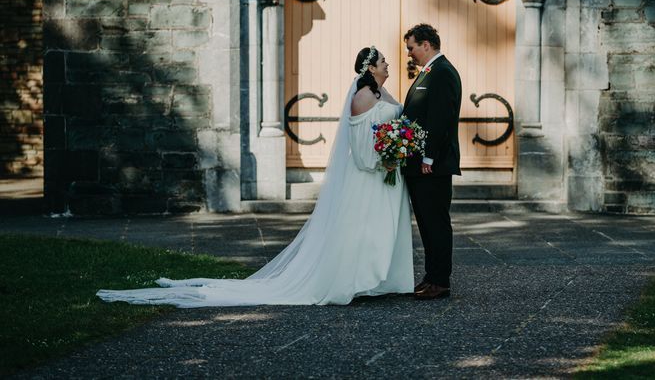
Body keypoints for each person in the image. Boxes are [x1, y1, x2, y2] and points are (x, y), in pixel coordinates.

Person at [97, 47, 413, 307]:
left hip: (386, 176)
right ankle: (355, 280)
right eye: (383, 60)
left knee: (380, 229)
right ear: (370, 67)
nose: (388, 63)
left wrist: (396, 152)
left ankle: (380, 280)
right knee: (361, 231)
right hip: (370, 176)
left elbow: (390, 127)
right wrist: (382, 161)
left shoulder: (383, 92)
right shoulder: (362, 98)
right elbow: (360, 151)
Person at [402, 24, 462, 301]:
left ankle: (441, 281)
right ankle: (430, 277)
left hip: (432, 166)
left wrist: (429, 157)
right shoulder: (429, 72)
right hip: (420, 165)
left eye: (411, 47)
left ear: (426, 44)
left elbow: (441, 119)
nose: (409, 53)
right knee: (426, 223)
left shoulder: (443, 73)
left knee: (436, 222)